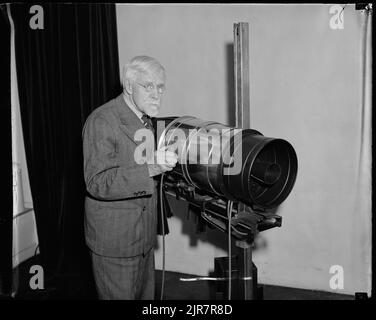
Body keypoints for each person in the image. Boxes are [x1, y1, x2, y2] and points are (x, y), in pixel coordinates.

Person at [82, 56, 177, 300]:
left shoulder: (145, 121)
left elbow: (138, 168)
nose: (157, 94)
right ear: (128, 85)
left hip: (142, 239)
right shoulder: (102, 120)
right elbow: (98, 182)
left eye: (160, 87)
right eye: (148, 86)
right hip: (115, 243)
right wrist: (153, 167)